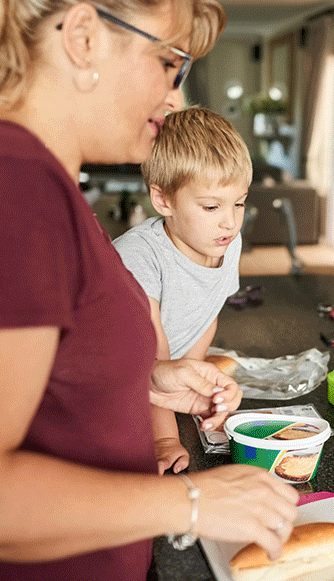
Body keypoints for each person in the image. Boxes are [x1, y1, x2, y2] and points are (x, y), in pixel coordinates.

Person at [0, 0, 299, 579]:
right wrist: (193, 502)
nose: (174, 94)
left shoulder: (26, 178)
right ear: (82, 37)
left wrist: (148, 379)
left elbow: (41, 373)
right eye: (167, 62)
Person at [113, 106, 251, 474]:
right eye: (211, 206)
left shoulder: (223, 241)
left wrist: (196, 375)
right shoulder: (140, 257)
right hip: (114, 389)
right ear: (163, 201)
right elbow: (151, 360)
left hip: (158, 377)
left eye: (239, 203)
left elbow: (208, 311)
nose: (230, 221)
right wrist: (164, 440)